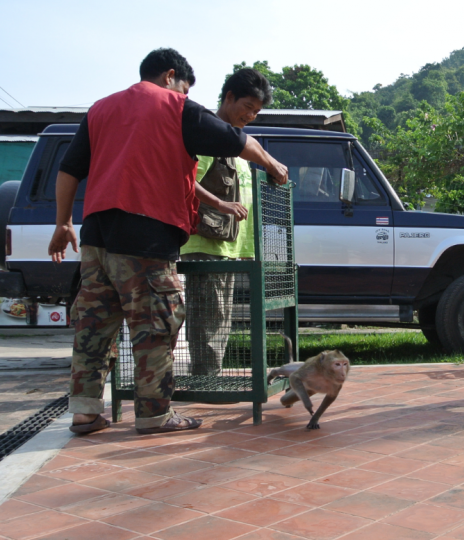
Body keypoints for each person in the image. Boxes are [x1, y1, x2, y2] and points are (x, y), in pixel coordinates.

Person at [48, 48, 288, 435]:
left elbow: (69, 169)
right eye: (184, 86)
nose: (184, 93)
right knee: (156, 325)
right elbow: (237, 140)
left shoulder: (100, 109)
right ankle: (155, 415)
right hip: (145, 236)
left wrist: (62, 223)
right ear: (171, 76)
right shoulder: (177, 107)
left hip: (95, 237)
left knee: (94, 325)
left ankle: (85, 412)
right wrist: (273, 165)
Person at [181, 68, 270, 377]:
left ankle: (210, 377)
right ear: (229, 97)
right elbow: (184, 180)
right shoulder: (209, 135)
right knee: (208, 318)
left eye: (257, 111)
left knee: (221, 319)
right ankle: (205, 381)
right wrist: (219, 204)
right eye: (248, 107)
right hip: (207, 245)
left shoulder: (239, 144)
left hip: (227, 248)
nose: (252, 116)